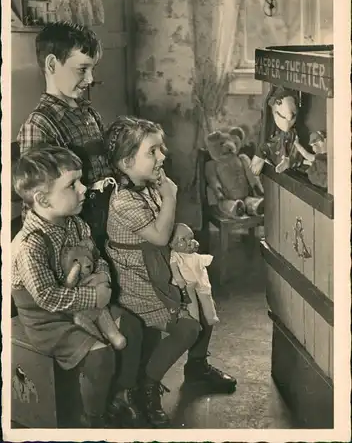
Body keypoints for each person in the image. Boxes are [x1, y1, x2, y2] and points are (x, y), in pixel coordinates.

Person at [104, 115, 237, 428]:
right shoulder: (123, 201)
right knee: (187, 327)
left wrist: (180, 227)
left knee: (204, 303)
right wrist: (172, 197)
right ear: (126, 162)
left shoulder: (146, 186)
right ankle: (146, 388)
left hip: (158, 271)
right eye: (152, 152)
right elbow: (160, 237)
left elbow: (163, 231)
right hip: (137, 284)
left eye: (159, 149)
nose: (162, 156)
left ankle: (197, 367)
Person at [11, 146, 145, 428]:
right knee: (100, 355)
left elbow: (97, 258)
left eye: (80, 181)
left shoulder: (76, 224)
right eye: (72, 184)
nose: (84, 189)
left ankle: (121, 392)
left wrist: (103, 280)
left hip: (85, 303)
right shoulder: (29, 244)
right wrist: (93, 296)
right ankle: (94, 418)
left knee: (131, 326)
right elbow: (46, 297)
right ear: (43, 200)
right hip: (48, 319)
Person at [17, 21, 114, 253]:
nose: (90, 79)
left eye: (92, 69)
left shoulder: (88, 113)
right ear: (52, 64)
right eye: (82, 69)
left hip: (106, 223)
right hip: (76, 240)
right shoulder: (39, 125)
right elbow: (37, 207)